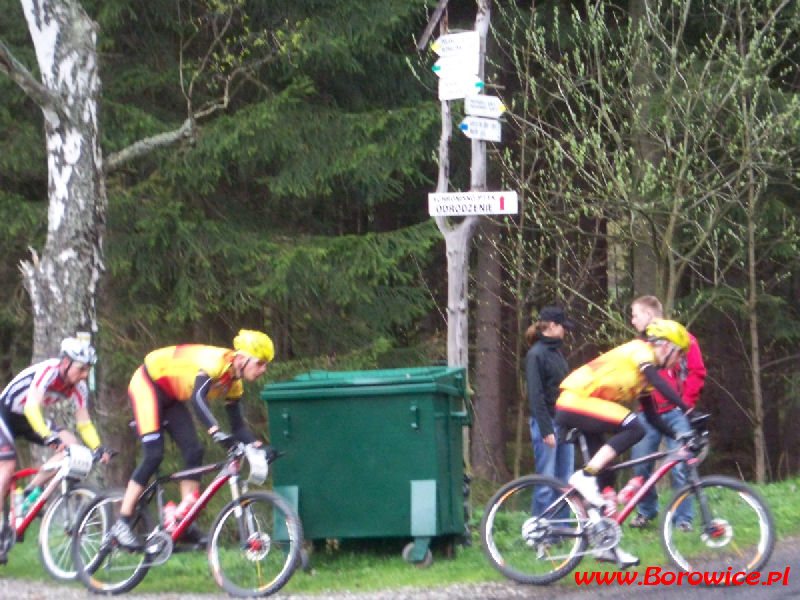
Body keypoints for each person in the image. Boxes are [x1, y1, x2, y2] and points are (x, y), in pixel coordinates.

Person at [111, 329, 275, 549]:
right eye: (261, 363)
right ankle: (122, 523)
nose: (263, 370)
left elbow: (239, 429)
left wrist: (258, 446)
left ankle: (185, 523)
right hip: (148, 384)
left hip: (171, 396)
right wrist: (215, 431)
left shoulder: (235, 384)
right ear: (243, 359)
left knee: (194, 451)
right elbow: (198, 399)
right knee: (154, 455)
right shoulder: (217, 363)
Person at [554, 319, 693, 568]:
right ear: (666, 347)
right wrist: (688, 410)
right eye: (679, 354)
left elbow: (653, 415)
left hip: (585, 407)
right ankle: (584, 476)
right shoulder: (641, 350)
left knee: (606, 478)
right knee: (634, 427)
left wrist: (677, 434)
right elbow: (659, 383)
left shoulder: (645, 378)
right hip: (575, 401)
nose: (680, 361)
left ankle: (607, 547)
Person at [0, 336, 111, 564]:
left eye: (88, 370)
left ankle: (28, 495)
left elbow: (84, 422)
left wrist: (98, 447)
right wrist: (47, 436)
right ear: (65, 363)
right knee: (8, 465)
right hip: (6, 414)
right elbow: (32, 408)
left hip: (29, 420)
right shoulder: (48, 371)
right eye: (81, 369)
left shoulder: (79, 387)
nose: (84, 375)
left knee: (73, 447)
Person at [628, 296, 706, 530]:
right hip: (648, 413)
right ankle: (647, 511)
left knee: (680, 465)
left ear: (649, 316)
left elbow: (697, 371)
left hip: (677, 412)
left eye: (635, 316)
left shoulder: (683, 339)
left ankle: (683, 519)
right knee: (640, 464)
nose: (632, 321)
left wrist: (686, 403)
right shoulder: (639, 345)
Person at [525, 306, 574, 515]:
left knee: (565, 481)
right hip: (546, 424)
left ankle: (562, 530)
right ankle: (540, 529)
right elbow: (536, 396)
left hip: (563, 423)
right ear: (552, 326)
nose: (565, 332)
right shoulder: (535, 354)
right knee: (546, 481)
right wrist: (546, 430)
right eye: (563, 327)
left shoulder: (557, 354)